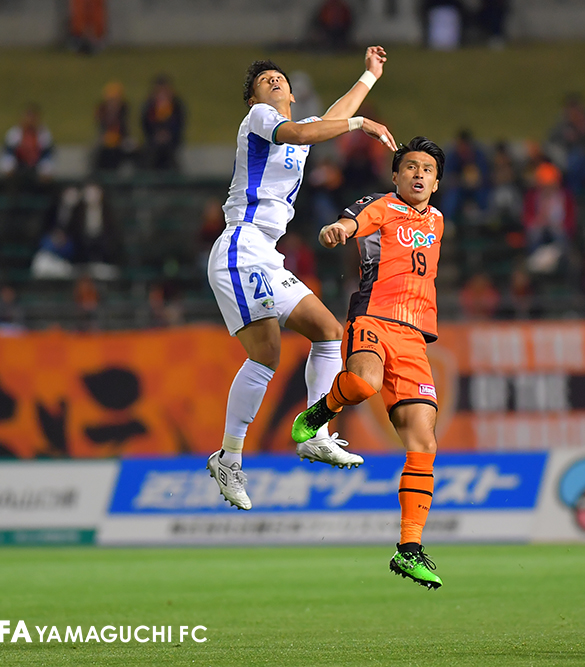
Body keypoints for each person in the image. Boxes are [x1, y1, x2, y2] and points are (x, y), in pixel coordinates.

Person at [206, 47, 397, 511]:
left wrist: (369, 77)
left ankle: (316, 433)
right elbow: (312, 130)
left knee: (329, 331)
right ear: (253, 99)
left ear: (292, 93)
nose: (273, 82)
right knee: (266, 354)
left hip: (265, 253)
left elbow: (327, 119)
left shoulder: (301, 130)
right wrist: (360, 124)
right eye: (263, 81)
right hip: (241, 244)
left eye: (279, 78)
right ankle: (229, 457)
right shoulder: (260, 119)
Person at [292, 137, 446, 589]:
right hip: (374, 316)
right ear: (395, 176)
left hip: (415, 337)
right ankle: (317, 415)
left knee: (424, 441)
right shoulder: (381, 205)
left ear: (436, 183)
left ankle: (409, 550)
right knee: (363, 384)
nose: (419, 174)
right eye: (411, 167)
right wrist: (338, 229)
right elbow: (353, 221)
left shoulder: (437, 219)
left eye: (428, 170)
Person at [547, 93, 585, 195]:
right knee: (576, 160)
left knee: (580, 161)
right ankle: (577, 192)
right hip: (568, 159)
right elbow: (552, 138)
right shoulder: (563, 125)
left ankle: (583, 190)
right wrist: (565, 137)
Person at [0, 104, 55, 188]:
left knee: (46, 181)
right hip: (19, 167)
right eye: (28, 118)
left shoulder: (44, 134)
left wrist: (46, 170)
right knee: (10, 179)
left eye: (33, 118)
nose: (30, 121)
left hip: (36, 168)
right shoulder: (14, 133)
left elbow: (47, 155)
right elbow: (8, 153)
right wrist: (8, 167)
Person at [141, 74, 185, 171]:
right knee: (151, 154)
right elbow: (146, 124)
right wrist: (156, 134)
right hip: (153, 141)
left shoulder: (176, 105)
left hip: (171, 141)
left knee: (169, 154)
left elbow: (179, 123)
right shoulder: (150, 106)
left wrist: (168, 134)